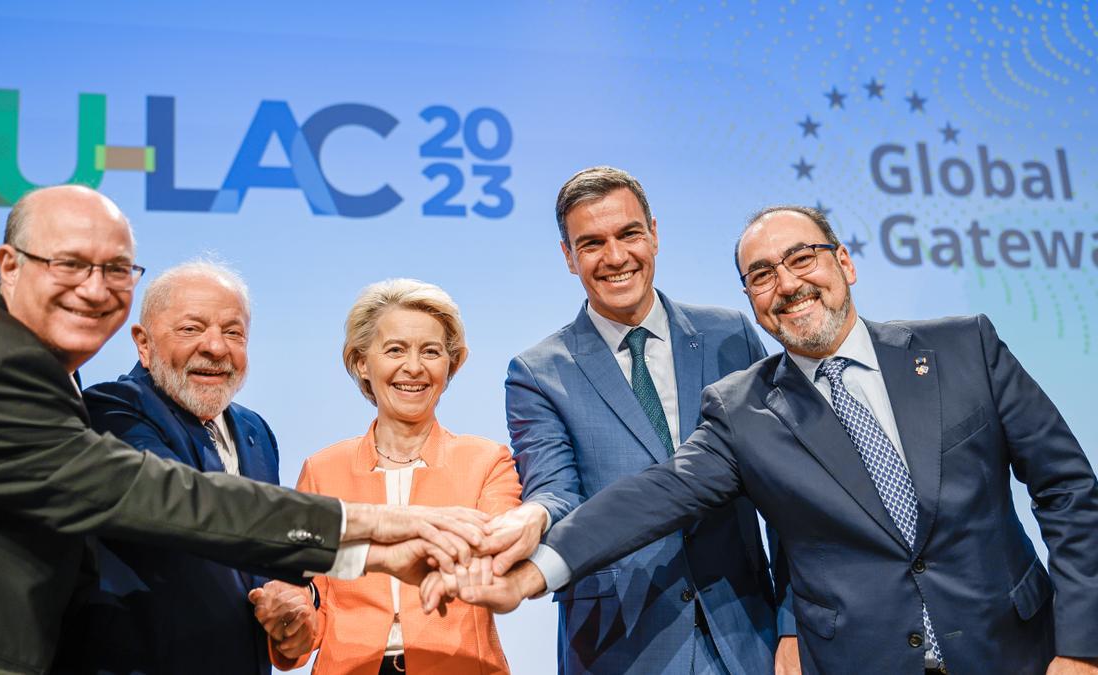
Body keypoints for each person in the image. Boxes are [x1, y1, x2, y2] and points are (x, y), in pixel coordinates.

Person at [457, 205, 1098, 674]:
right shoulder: (744, 410)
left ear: (842, 262)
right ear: (754, 304)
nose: (787, 284)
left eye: (801, 258)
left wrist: (1081, 645)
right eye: (762, 275)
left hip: (1019, 654)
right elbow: (653, 496)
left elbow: (1070, 493)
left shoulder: (965, 346)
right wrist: (534, 573)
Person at [0, 185, 487, 674]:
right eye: (70, 264)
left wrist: (294, 610)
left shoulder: (24, 362)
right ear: (9, 265)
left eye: (117, 269)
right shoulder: (1, 375)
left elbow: (262, 573)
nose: (96, 288)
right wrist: (380, 528)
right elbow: (169, 500)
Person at [493, 166, 787, 674]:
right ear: (568, 257)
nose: (615, 257)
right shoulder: (537, 373)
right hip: (619, 645)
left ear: (655, 233)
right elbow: (555, 491)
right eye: (591, 243)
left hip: (747, 633)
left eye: (629, 234)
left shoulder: (730, 335)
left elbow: (785, 488)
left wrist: (793, 624)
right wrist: (533, 518)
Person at [53, 261, 313, 674]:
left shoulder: (255, 431)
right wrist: (342, 534)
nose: (215, 347)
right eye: (191, 329)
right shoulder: (112, 412)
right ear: (143, 342)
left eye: (233, 332)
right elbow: (196, 509)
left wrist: (293, 604)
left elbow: (262, 562)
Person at [282, 279, 522, 674]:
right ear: (362, 362)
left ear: (451, 364)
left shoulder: (487, 462)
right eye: (395, 350)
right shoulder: (322, 470)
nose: (414, 367)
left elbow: (496, 564)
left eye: (431, 352)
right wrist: (290, 619)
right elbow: (312, 605)